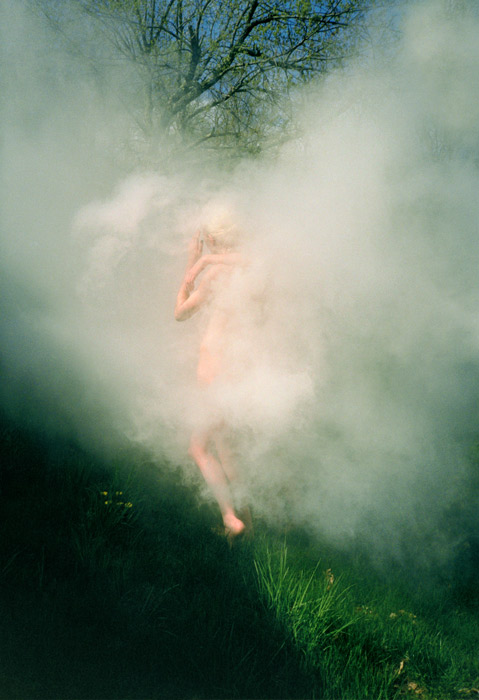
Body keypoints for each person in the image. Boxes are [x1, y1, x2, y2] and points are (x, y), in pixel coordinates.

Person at [174, 219, 252, 542]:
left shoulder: (218, 273)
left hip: (215, 369)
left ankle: (232, 519)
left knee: (199, 447)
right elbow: (253, 259)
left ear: (211, 239)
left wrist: (195, 262)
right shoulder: (249, 271)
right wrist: (205, 260)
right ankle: (247, 519)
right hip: (234, 367)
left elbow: (180, 313)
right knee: (225, 445)